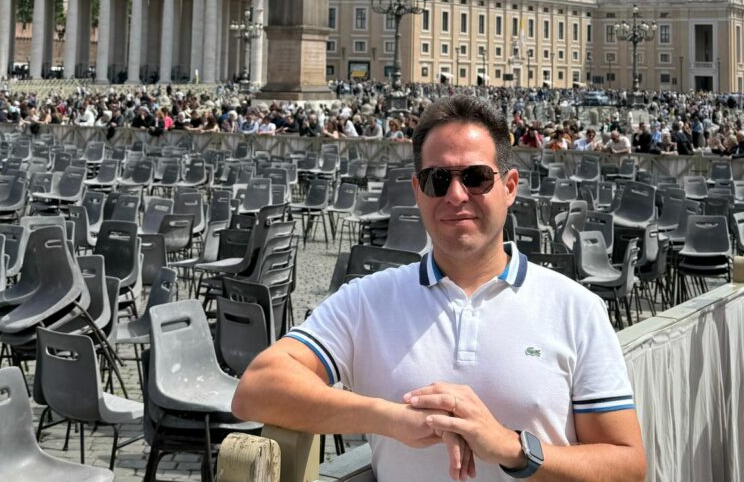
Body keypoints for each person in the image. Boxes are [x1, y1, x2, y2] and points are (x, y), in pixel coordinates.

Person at [233, 95, 646, 482]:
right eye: (437, 180)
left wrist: (512, 447)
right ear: (418, 192)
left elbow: (628, 466)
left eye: (476, 178)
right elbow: (256, 389)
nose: (456, 194)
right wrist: (389, 418)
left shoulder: (576, 308)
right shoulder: (367, 300)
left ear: (510, 188)